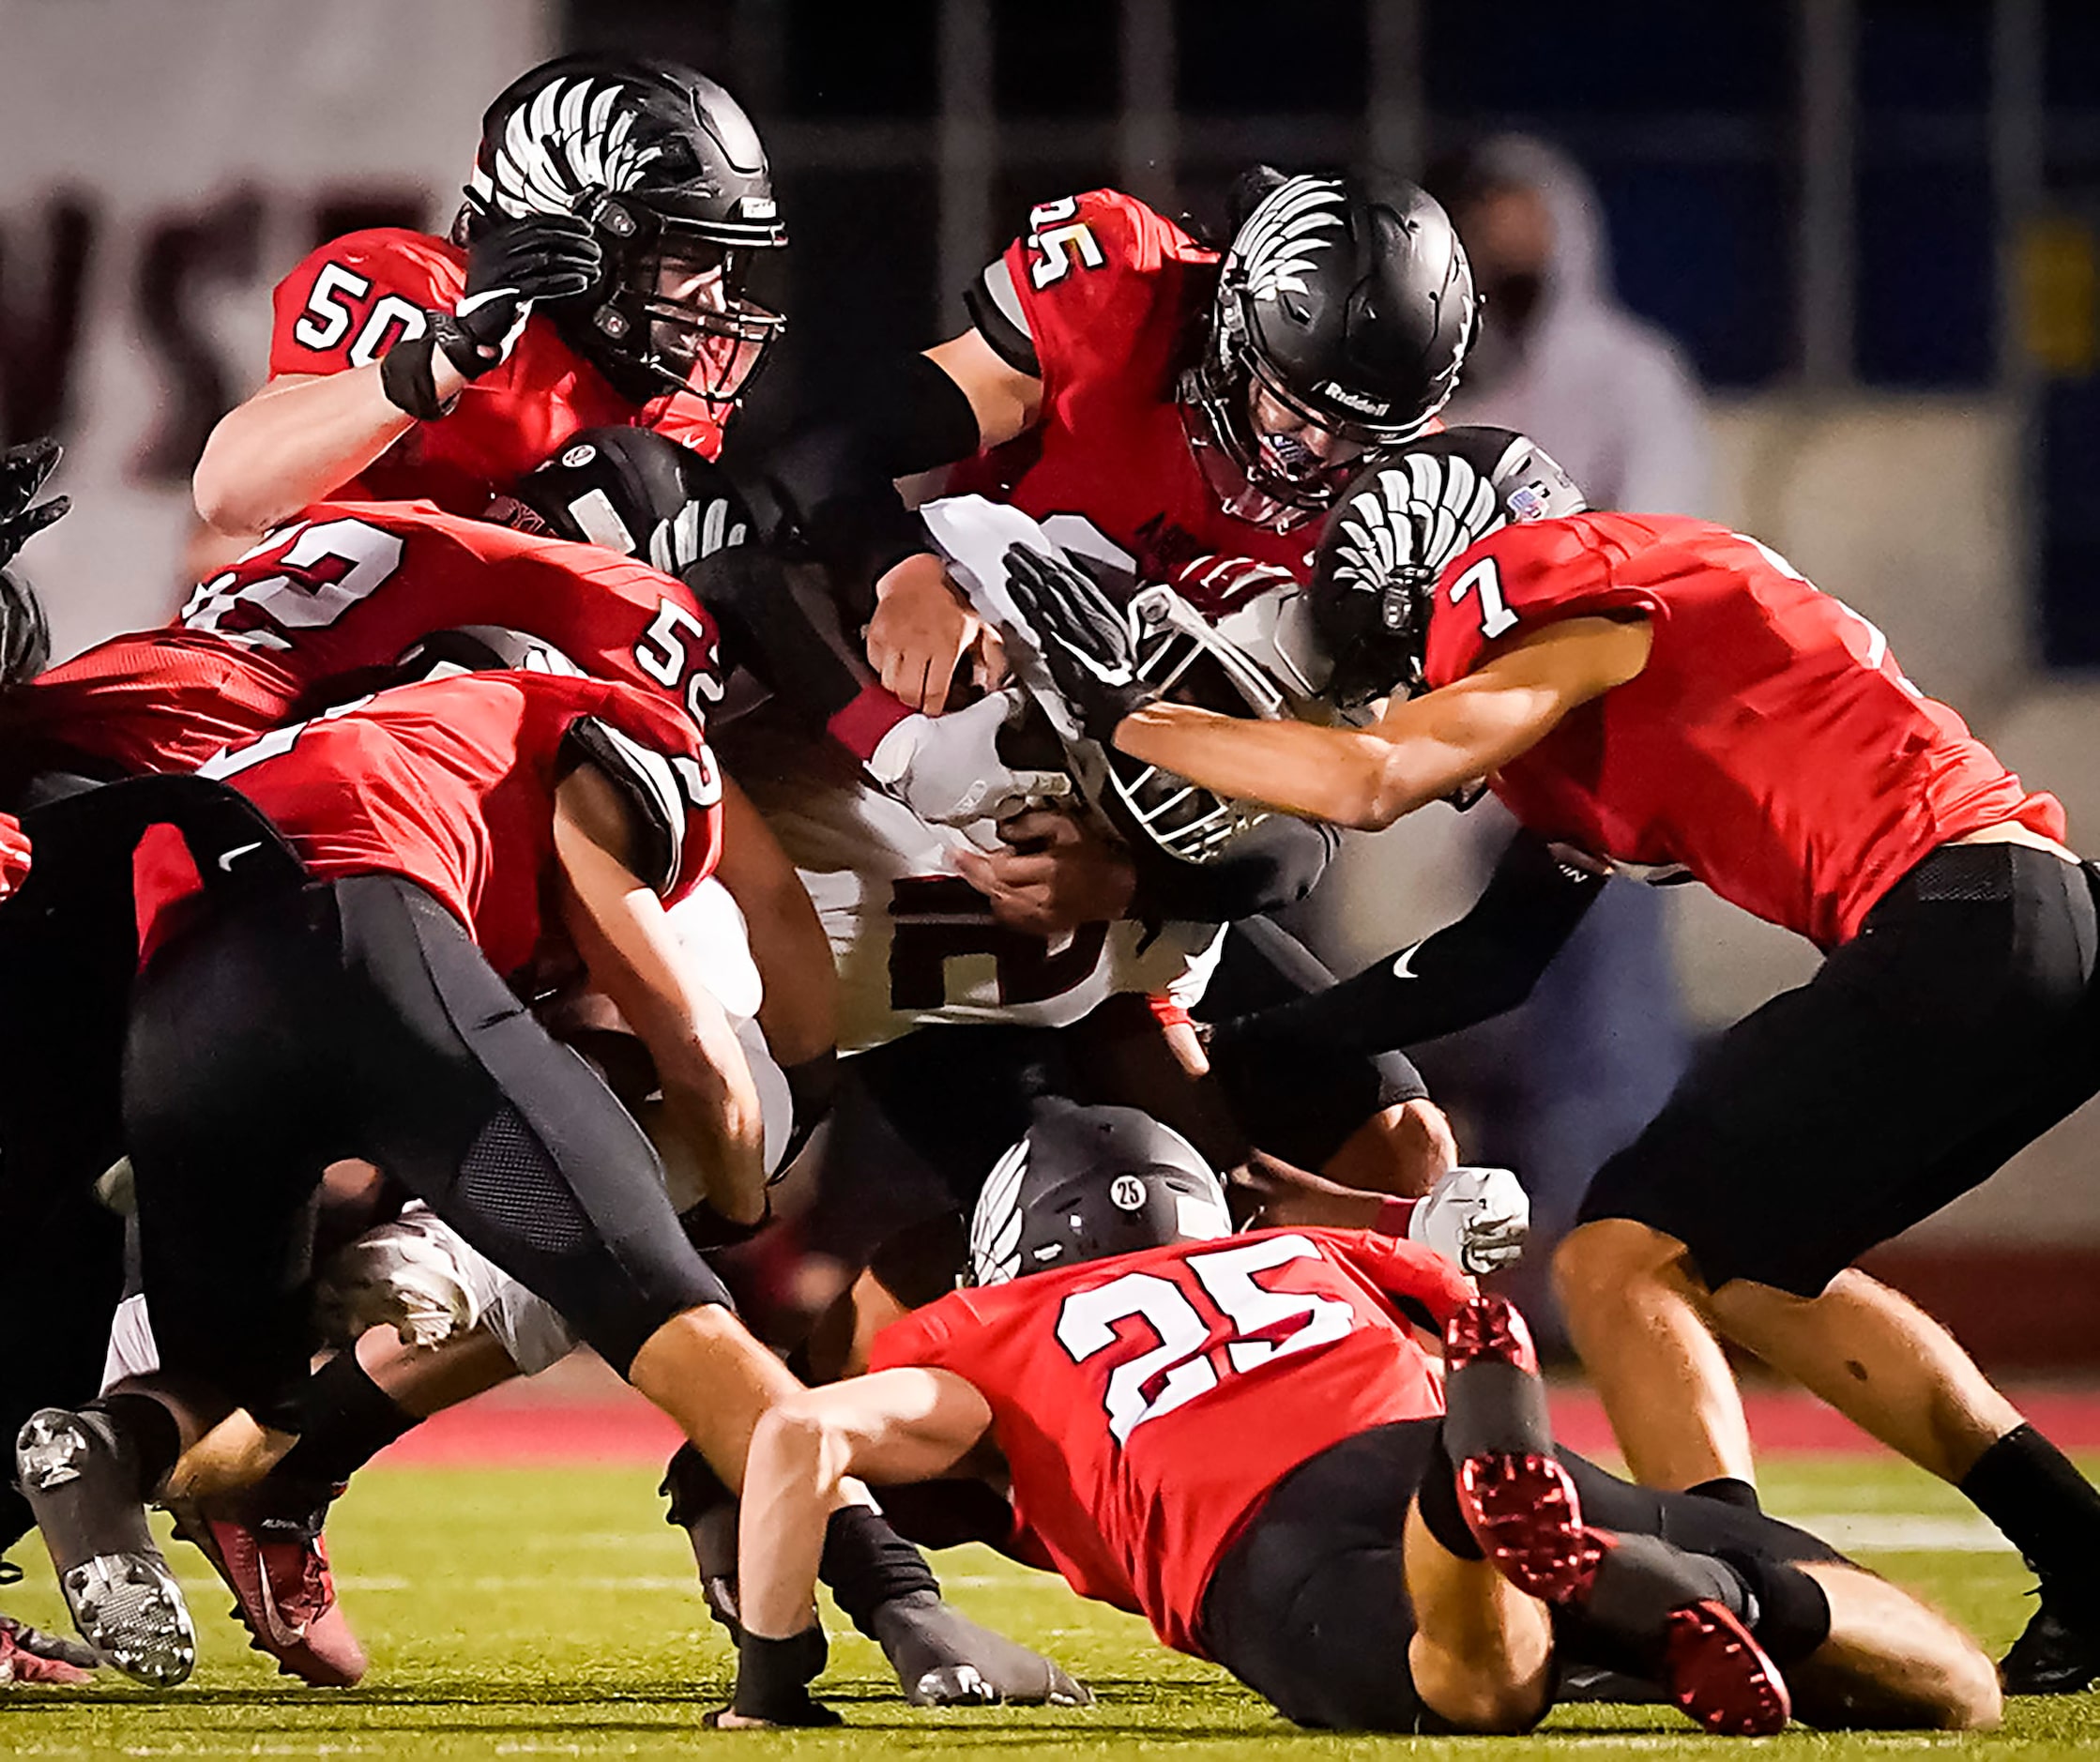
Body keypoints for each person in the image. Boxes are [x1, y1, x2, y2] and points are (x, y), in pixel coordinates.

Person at [1005, 423, 2100, 1694]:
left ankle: (1750, 1592)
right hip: (2025, 929)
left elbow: (1376, 778)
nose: (1408, 675)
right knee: (1745, 1275)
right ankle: (2074, 1556)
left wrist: (1137, 719)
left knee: (1615, 1256)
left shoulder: (1566, 578)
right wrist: (1251, 1055)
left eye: (1399, 643)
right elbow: (1488, 962)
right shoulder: (1612, 674)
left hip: (1958, 913)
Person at [11, 669, 1077, 1707]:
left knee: (235, 1383)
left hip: (177, 1018)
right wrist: (731, 1210)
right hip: (372, 952)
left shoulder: (338, 743)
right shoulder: (587, 733)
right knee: (674, 1317)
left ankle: (103, 1449)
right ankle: (897, 1615)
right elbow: (704, 1065)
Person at [715, 1098, 1999, 1733]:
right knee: (1958, 1687)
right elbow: (1461, 1299)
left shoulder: (982, 1330)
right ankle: (1677, 1573)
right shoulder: (1311, 1254)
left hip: (1256, 1538)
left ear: (1006, 1244)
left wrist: (772, 1683)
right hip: (1416, 1424)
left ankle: (1484, 1519)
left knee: (1475, 1689)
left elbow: (791, 1435)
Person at [191, 54, 784, 541]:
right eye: (685, 258)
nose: (713, 302)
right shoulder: (419, 289)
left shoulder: (675, 394)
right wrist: (445, 357)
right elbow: (230, 493)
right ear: (585, 234)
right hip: (333, 662)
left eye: (725, 265)